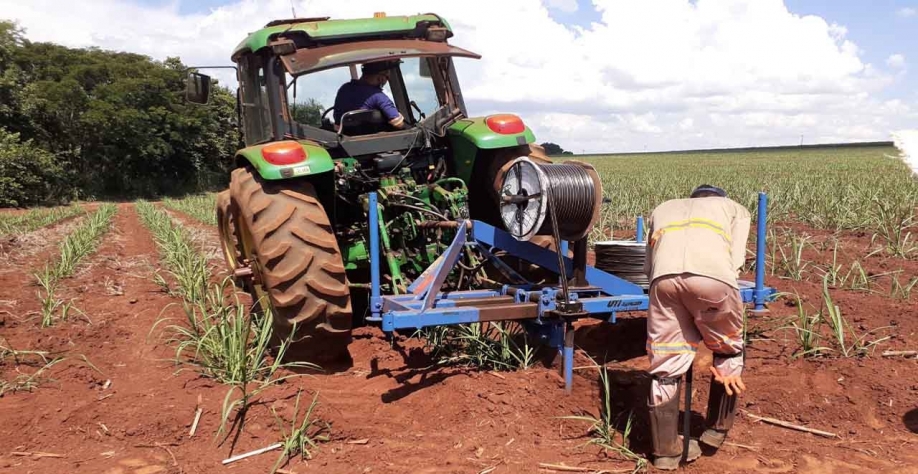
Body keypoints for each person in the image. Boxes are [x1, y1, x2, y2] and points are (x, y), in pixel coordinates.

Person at [642, 184, 752, 470]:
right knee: (728, 350)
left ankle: (665, 452)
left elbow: (647, 266)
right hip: (713, 280)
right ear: (719, 199)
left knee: (665, 362)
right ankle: (716, 431)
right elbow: (736, 260)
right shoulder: (734, 209)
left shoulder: (663, 207)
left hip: (663, 282)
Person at [333, 60, 406, 130]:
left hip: (344, 139)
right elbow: (398, 123)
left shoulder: (344, 89)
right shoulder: (378, 96)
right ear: (381, 78)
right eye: (387, 78)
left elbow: (336, 118)